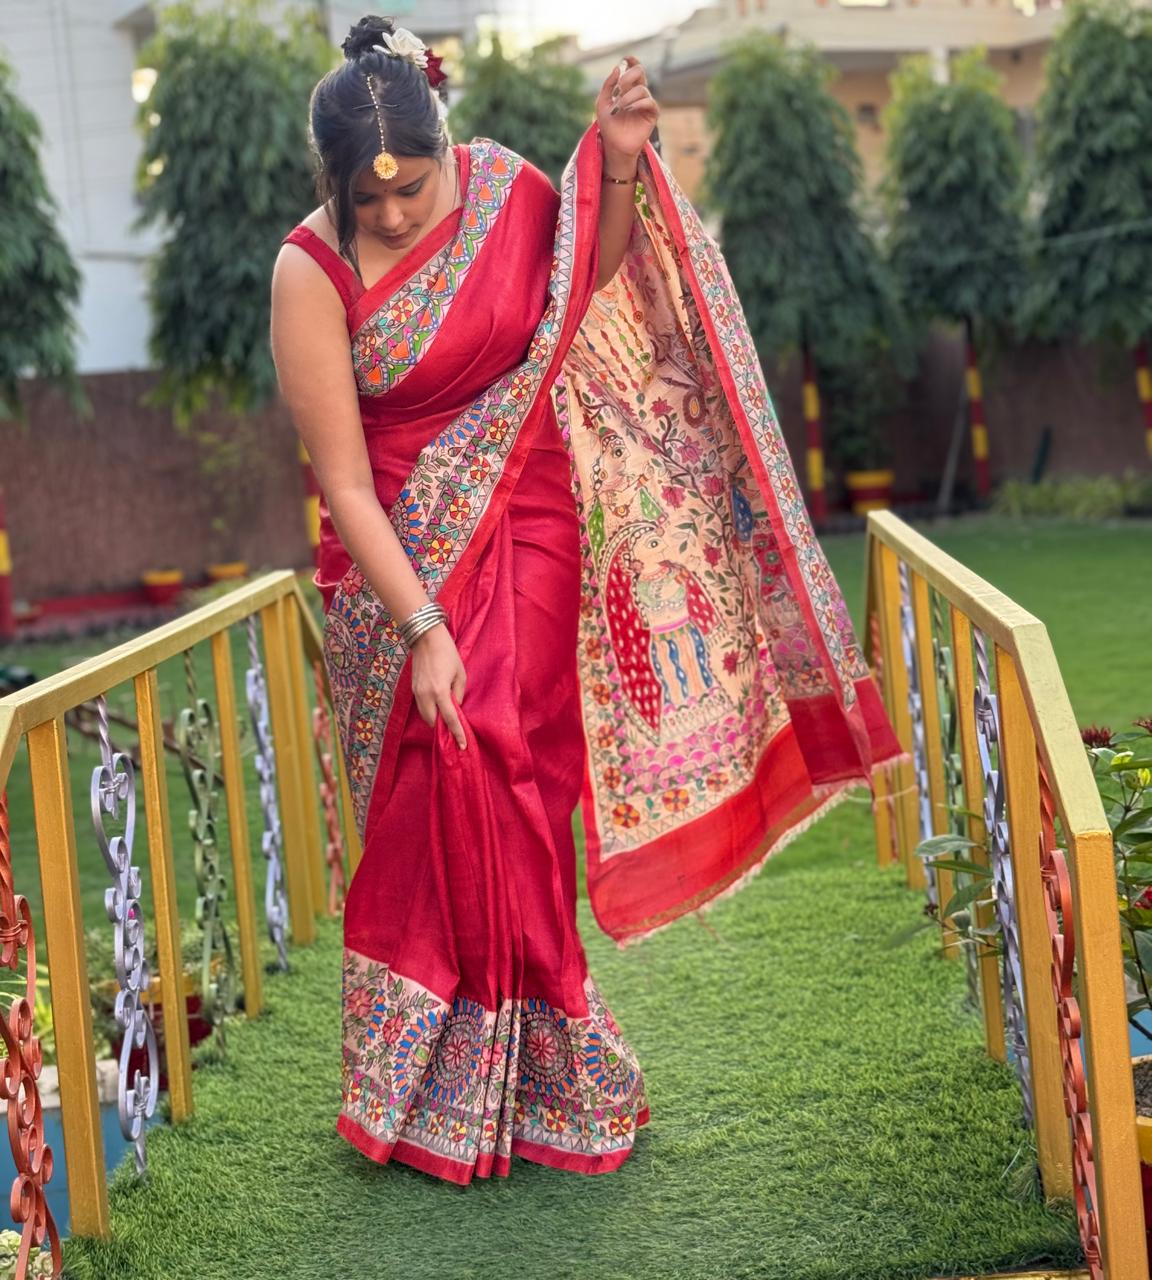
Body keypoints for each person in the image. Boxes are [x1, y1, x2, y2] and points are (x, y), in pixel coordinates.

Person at [270, 14, 904, 1187]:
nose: (398, 217)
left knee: (525, 775)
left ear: (448, 144)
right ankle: (423, 1091)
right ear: (334, 189)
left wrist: (614, 160)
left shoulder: (510, 192)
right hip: (395, 561)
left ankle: (549, 1063)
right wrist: (422, 630)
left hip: (536, 520)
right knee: (435, 797)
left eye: (413, 191)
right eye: (372, 203)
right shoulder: (309, 273)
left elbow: (584, 284)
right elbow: (345, 479)